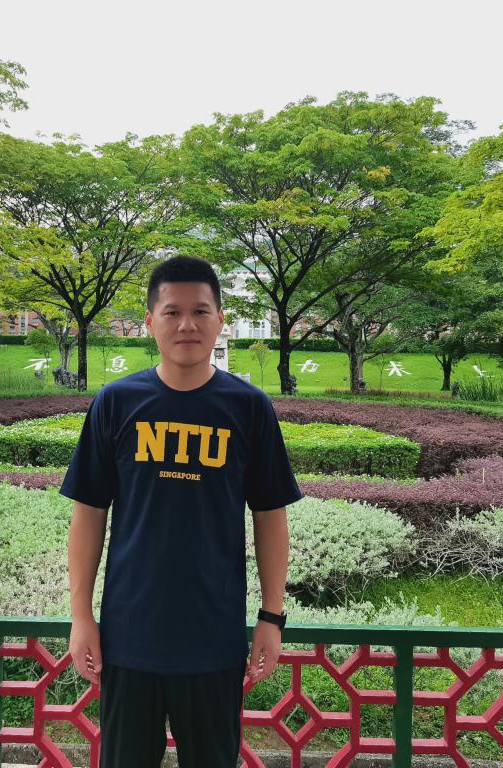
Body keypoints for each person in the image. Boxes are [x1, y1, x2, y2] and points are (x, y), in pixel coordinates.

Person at [61, 255, 302, 767]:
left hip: (213, 641)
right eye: (172, 312)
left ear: (220, 320)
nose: (187, 324)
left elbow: (270, 517)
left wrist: (271, 616)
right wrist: (81, 616)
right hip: (129, 640)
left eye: (200, 311)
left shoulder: (249, 408)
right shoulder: (116, 403)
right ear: (150, 322)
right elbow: (88, 514)